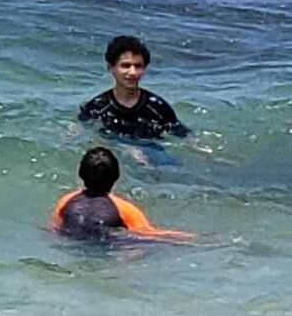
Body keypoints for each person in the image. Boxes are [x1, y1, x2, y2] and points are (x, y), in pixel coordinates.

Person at [50, 145, 192, 242]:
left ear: (81, 174)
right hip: (108, 250)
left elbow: (54, 229)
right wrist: (187, 237)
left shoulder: (66, 201)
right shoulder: (123, 209)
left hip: (73, 245)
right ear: (116, 176)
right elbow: (148, 234)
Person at [77, 35, 188, 142]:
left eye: (138, 66)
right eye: (126, 65)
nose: (133, 72)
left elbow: (183, 137)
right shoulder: (97, 108)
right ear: (110, 67)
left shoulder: (158, 108)